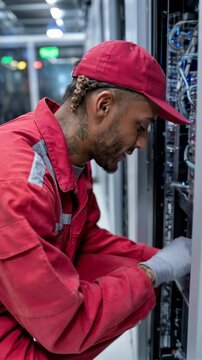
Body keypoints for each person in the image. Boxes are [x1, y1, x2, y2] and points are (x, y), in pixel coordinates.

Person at [0, 40, 192, 360]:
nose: (142, 143)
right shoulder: (17, 184)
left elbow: (85, 244)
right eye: (140, 126)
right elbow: (66, 325)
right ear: (103, 105)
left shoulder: (68, 160)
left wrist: (165, 259)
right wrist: (151, 273)